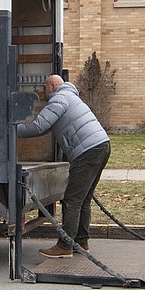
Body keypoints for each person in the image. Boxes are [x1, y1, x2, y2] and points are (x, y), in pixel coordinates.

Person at [16, 74, 111, 258]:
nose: (44, 92)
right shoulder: (70, 96)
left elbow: (39, 126)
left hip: (88, 151)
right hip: (101, 145)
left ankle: (65, 246)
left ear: (52, 85)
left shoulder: (59, 98)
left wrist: (11, 131)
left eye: (45, 88)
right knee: (83, 199)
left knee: (72, 200)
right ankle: (80, 241)